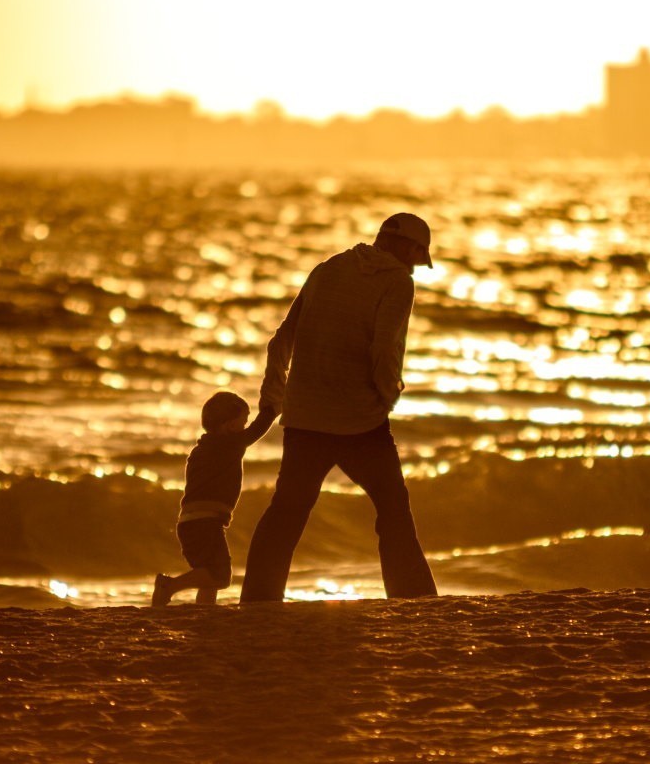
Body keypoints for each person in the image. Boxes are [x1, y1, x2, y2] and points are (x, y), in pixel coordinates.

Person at [239, 212, 439, 603]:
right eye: (419, 255)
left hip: (305, 417)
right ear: (410, 248)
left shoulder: (328, 268)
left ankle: (257, 602)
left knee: (286, 513)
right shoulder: (398, 282)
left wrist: (273, 402)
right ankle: (414, 600)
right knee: (394, 509)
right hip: (359, 422)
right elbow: (383, 350)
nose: (417, 265)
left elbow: (281, 340)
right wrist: (389, 396)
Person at [152, 391, 276, 606]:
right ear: (229, 426)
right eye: (243, 422)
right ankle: (169, 586)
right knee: (220, 576)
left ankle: (205, 612)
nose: (246, 427)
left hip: (189, 522)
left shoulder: (199, 450)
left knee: (208, 576)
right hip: (205, 522)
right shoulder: (229, 445)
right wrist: (271, 410)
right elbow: (257, 430)